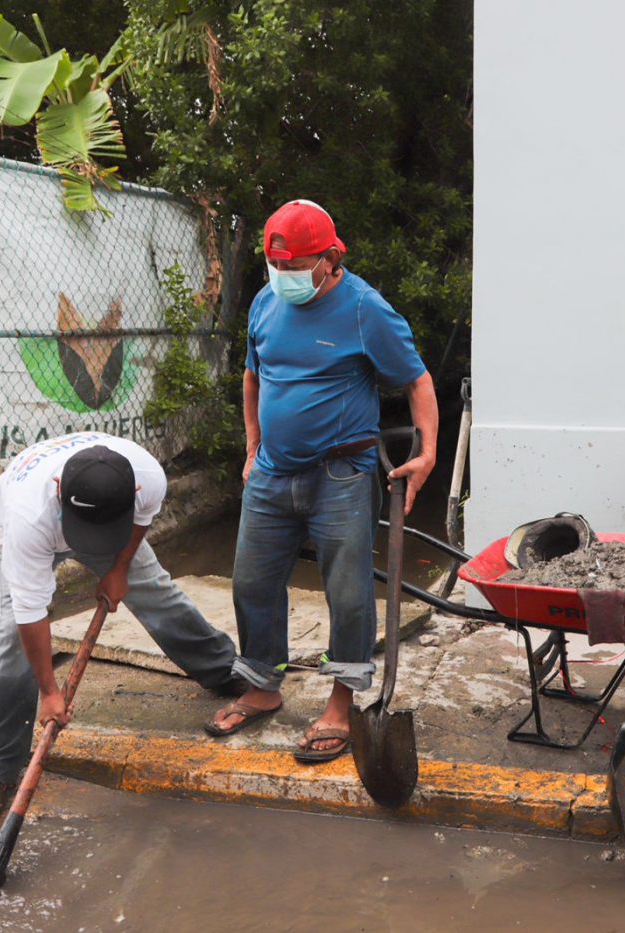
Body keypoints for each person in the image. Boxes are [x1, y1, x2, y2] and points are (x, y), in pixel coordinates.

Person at [206, 199, 438, 763]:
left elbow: (417, 381)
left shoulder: (365, 309)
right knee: (252, 583)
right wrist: (253, 444)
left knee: (349, 593)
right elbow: (252, 376)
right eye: (277, 266)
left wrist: (428, 453)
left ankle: (341, 702)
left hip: (342, 473)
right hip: (271, 473)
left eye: (297, 266)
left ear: (331, 258)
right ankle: (263, 685)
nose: (284, 277)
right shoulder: (266, 300)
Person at [0, 432, 239, 821]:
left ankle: (221, 668)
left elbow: (141, 518)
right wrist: (49, 691)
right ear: (58, 488)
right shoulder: (27, 516)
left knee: (154, 590)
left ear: (135, 491)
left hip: (110, 518)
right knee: (11, 634)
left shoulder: (146, 475)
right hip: (34, 521)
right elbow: (30, 612)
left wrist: (119, 570)